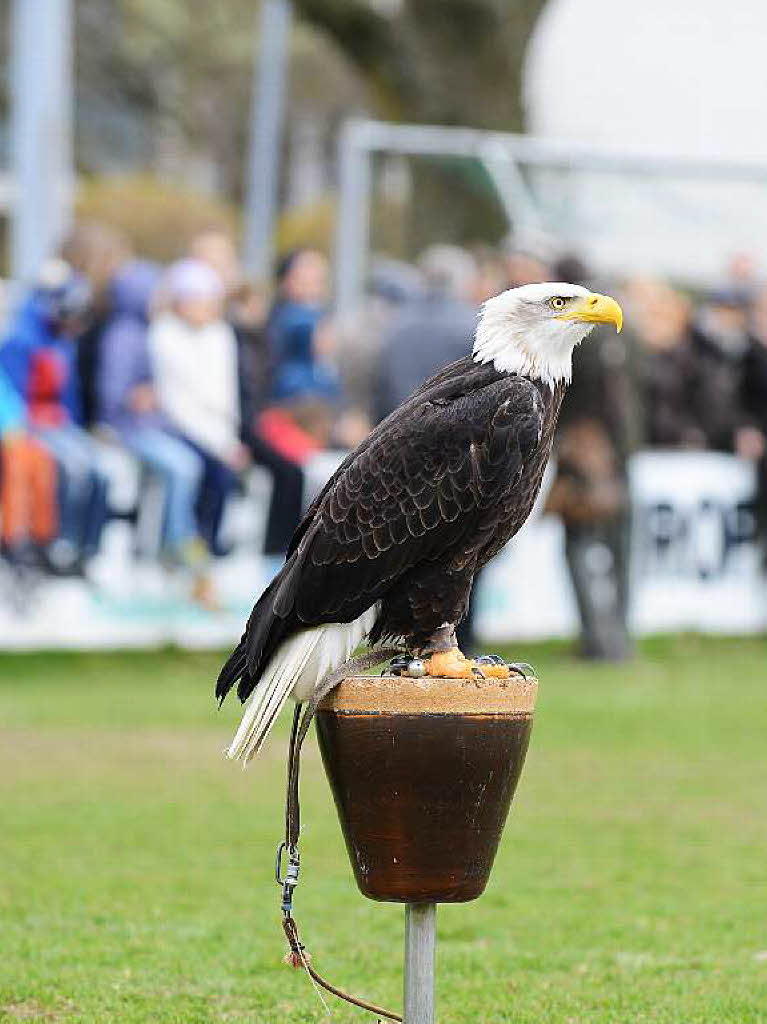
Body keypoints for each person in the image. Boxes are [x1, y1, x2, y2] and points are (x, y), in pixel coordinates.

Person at [96, 260, 213, 592]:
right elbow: (112, 395)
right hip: (125, 429)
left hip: (148, 426)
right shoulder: (122, 336)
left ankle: (180, 540)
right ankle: (178, 543)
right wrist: (138, 396)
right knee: (183, 466)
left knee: (192, 456)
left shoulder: (142, 331)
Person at [0, 261, 108, 573]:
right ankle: (57, 545)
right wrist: (19, 425)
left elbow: (68, 396)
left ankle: (86, 550)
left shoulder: (63, 342)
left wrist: (76, 425)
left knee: (100, 468)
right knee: (70, 468)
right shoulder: (21, 340)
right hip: (31, 423)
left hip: (58, 422)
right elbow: (15, 395)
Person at [149, 259, 249, 560]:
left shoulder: (220, 335)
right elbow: (178, 401)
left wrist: (228, 440)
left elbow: (224, 395)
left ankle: (208, 547)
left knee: (225, 475)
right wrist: (219, 444)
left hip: (216, 429)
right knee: (201, 468)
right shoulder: (164, 335)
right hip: (179, 427)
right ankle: (186, 549)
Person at [372, 245, 479, 421]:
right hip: (453, 430)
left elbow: (381, 386)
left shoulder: (396, 324)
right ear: (463, 281)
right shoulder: (472, 326)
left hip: (398, 430)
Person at [0, 365, 57, 571]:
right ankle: (12, 539)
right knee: (17, 461)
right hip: (7, 440)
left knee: (42, 459)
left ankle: (40, 539)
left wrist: (16, 425)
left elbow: (10, 400)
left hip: (14, 433)